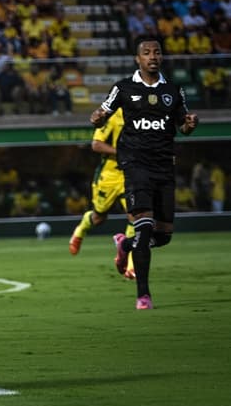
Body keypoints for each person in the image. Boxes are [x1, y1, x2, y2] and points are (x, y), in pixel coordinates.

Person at [90, 34, 199, 310]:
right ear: (138, 59)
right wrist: (97, 117)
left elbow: (183, 127)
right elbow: (102, 111)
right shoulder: (123, 88)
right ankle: (143, 295)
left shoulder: (174, 90)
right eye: (147, 53)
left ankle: (125, 245)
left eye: (157, 52)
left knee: (162, 236)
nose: (153, 57)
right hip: (135, 164)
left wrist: (190, 125)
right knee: (145, 225)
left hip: (164, 165)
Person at [68, 108, 136, 279]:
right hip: (109, 177)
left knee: (136, 217)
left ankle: (131, 265)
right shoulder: (112, 116)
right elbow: (96, 144)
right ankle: (80, 231)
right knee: (99, 218)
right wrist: (121, 153)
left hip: (131, 176)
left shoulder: (143, 117)